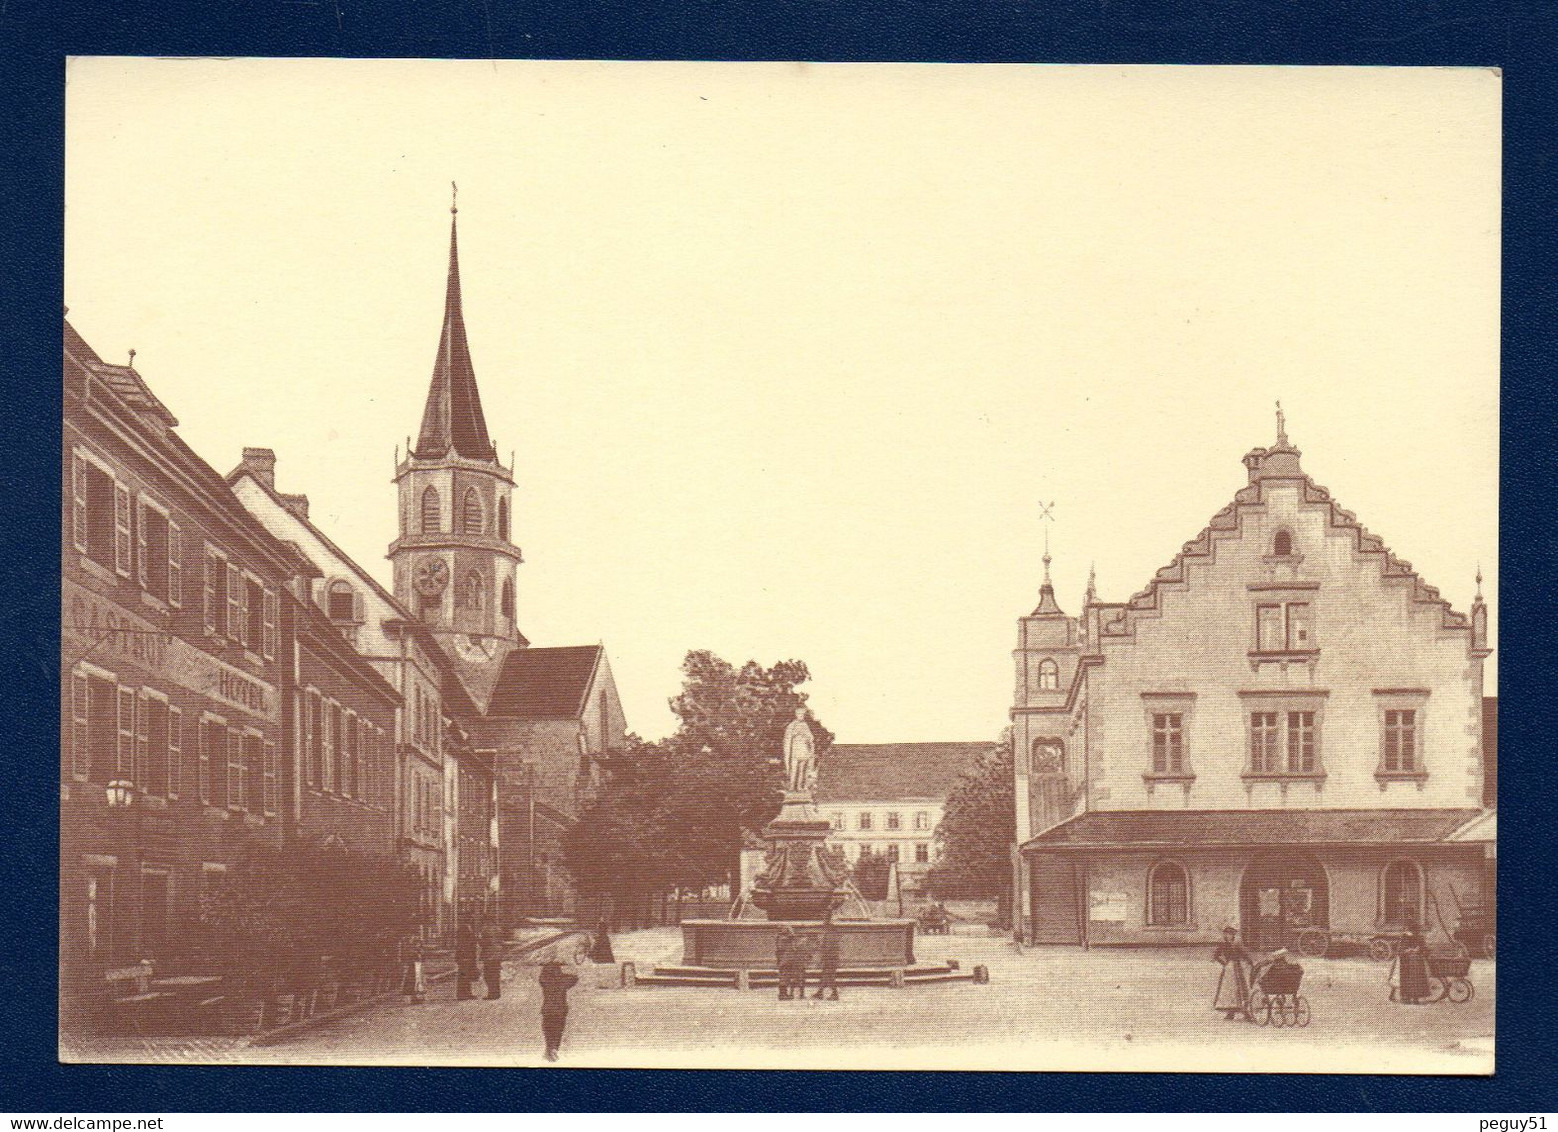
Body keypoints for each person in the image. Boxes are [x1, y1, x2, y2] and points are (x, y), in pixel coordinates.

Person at [1210, 926, 1254, 1021]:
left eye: (1229, 934)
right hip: (1229, 970)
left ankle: (1245, 1012)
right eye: (1226, 934)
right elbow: (1215, 956)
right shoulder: (1223, 945)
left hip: (1237, 969)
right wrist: (1225, 963)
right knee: (1229, 990)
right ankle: (1231, 1012)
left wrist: (1250, 962)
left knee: (1240, 990)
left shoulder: (1237, 944)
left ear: (1233, 935)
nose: (1227, 936)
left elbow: (1245, 954)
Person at [539, 960, 579, 1061]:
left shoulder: (545, 981)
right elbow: (575, 978)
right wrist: (563, 973)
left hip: (548, 1010)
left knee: (548, 1031)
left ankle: (550, 1048)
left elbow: (542, 976)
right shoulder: (562, 982)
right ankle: (553, 1049)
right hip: (560, 1010)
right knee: (558, 1031)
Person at [1393, 919, 1432, 1005]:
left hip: (1409, 963)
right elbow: (1425, 950)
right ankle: (1414, 998)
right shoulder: (1412, 937)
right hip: (1413, 962)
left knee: (1410, 980)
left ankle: (1408, 998)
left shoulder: (1406, 937)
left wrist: (1413, 950)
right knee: (1414, 981)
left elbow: (1400, 951)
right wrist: (1414, 950)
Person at [812, 911, 841, 1000]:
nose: (823, 922)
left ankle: (835, 994)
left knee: (829, 976)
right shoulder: (830, 932)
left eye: (824, 919)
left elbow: (829, 947)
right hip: (830, 958)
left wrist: (823, 957)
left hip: (830, 958)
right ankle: (820, 992)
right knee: (825, 976)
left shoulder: (830, 933)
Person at [399, 933, 426, 1005]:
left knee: (419, 981)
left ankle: (418, 997)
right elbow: (409, 958)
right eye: (417, 943)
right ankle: (412, 998)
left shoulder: (420, 951)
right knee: (412, 981)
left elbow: (423, 958)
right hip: (413, 967)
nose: (418, 945)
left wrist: (420, 955)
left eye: (419, 944)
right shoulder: (411, 950)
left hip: (419, 966)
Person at [454, 920, 479, 1001]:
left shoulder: (468, 932)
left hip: (469, 957)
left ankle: (467, 993)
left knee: (467, 976)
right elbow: (462, 948)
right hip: (464, 957)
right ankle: (461, 994)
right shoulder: (463, 932)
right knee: (463, 976)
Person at [480, 921, 504, 1000]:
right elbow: (501, 941)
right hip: (498, 954)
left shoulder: (485, 930)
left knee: (488, 975)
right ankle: (497, 993)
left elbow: (485, 943)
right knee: (496, 974)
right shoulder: (498, 929)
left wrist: (479, 941)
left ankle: (491, 994)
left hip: (489, 954)